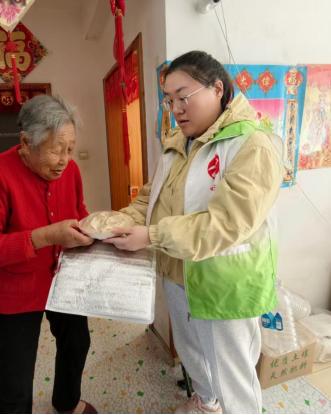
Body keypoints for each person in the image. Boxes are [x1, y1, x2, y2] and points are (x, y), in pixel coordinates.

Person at [105, 51, 285, 414]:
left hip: (223, 281)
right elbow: (152, 199)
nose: (176, 109)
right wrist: (111, 223)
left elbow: (228, 224)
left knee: (231, 372)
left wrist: (151, 236)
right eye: (169, 100)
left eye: (183, 97)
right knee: (191, 351)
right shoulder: (177, 142)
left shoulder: (251, 145)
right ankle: (205, 402)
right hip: (177, 272)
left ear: (217, 89)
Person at [0, 95, 98, 415]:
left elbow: (78, 211)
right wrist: (46, 236)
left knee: (77, 343)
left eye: (70, 149)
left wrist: (95, 230)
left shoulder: (70, 170)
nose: (65, 160)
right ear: (26, 142)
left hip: (62, 282)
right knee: (15, 376)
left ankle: (66, 402)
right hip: (13, 292)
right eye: (56, 150)